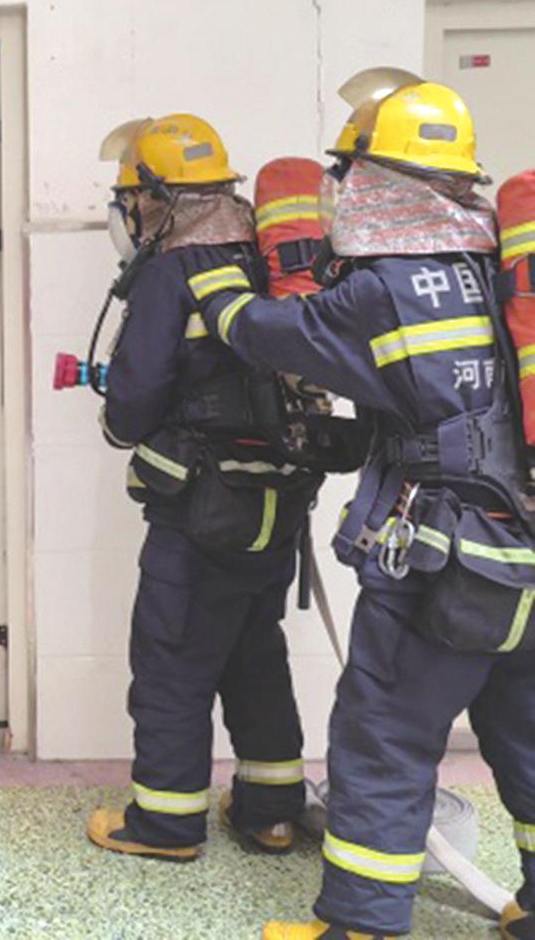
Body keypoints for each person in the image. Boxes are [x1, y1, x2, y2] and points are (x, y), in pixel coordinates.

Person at [187, 81, 535, 940]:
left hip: (449, 558)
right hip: (523, 545)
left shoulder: (386, 289)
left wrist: (212, 274)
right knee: (525, 735)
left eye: (345, 172)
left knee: (383, 734)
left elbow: (264, 333)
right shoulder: (498, 263)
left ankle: (360, 923)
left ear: (375, 180)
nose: (337, 188)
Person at [85, 114, 321, 863]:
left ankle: (165, 823)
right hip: (278, 505)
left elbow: (132, 404)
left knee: (172, 661)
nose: (126, 215)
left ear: (156, 198)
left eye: (130, 199)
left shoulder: (171, 271)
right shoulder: (264, 256)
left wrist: (117, 415)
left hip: (200, 512)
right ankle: (270, 813)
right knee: (256, 655)